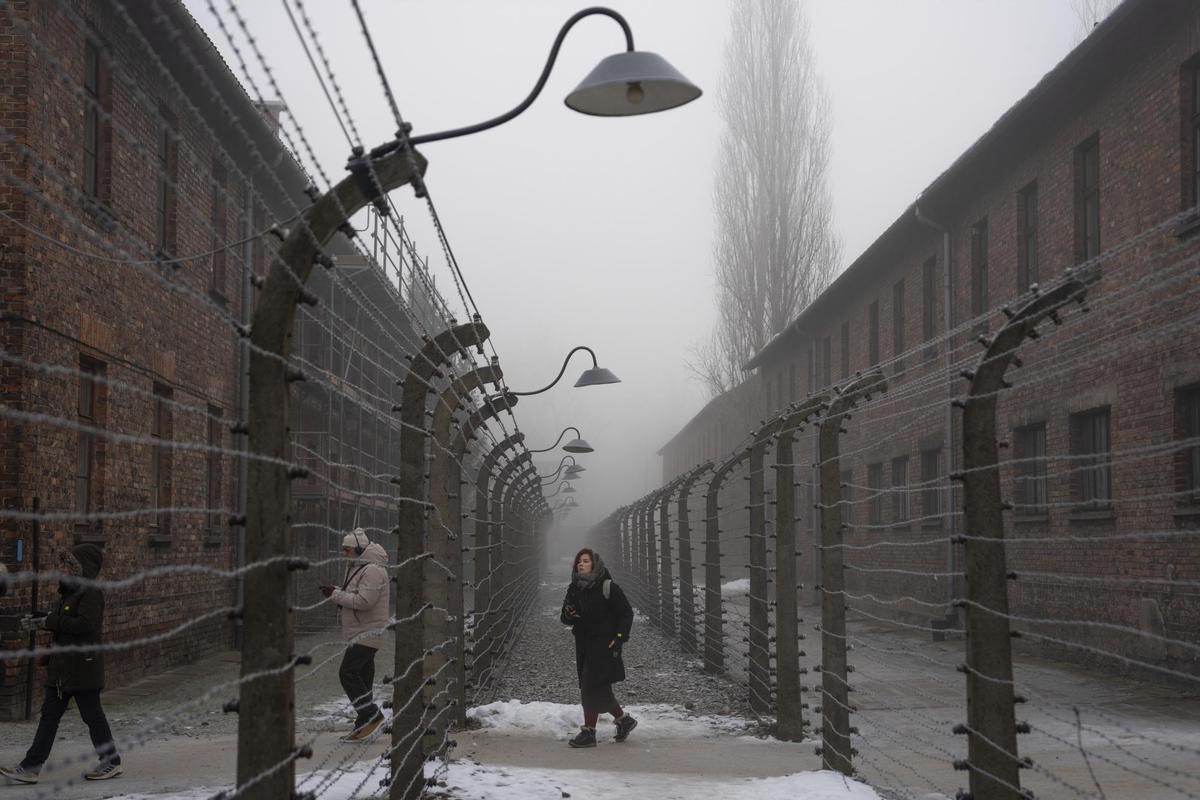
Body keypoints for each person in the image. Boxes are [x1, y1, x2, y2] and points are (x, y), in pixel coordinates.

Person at [1, 543, 122, 784]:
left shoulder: (91, 593)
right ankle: (31, 767)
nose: (62, 569)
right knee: (49, 717)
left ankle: (111, 762)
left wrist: (50, 621)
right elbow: (64, 620)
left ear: (81, 568)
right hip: (62, 668)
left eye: (67, 565)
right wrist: (41, 619)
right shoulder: (69, 592)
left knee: (92, 715)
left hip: (82, 667)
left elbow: (84, 626)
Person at [560, 548, 636, 748]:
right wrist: (570, 615)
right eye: (579, 561)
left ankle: (589, 732)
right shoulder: (574, 588)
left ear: (594, 564)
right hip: (584, 644)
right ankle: (624, 720)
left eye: (585, 561)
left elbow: (626, 613)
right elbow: (564, 618)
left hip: (604, 644)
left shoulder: (608, 586)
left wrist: (619, 638)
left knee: (589, 685)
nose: (580, 564)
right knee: (599, 687)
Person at [319, 528, 389, 742]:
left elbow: (364, 602)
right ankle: (364, 723)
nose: (344, 553)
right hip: (363, 631)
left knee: (347, 673)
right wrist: (336, 590)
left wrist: (335, 595)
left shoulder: (373, 571)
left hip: (367, 631)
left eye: (347, 549)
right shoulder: (360, 567)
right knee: (363, 677)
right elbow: (357, 593)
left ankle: (371, 714)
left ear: (359, 549)